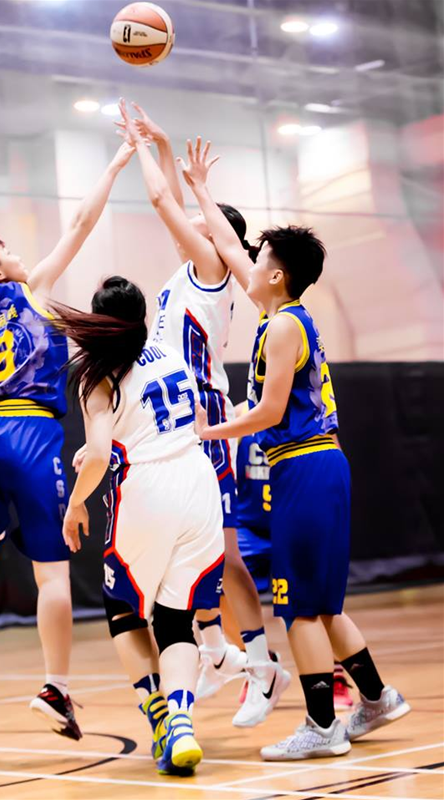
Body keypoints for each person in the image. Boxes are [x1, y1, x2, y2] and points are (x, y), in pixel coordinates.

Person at [183, 139, 410, 760]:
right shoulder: (280, 313)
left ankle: (321, 726)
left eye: (260, 260)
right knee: (325, 605)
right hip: (315, 467)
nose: (247, 262)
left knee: (300, 610)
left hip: (305, 467)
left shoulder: (283, 326)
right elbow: (231, 249)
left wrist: (209, 432)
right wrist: (200, 188)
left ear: (277, 276)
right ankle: (378, 698)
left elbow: (269, 412)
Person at [0, 141, 135, 741]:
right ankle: (56, 688)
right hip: (29, 431)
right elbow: (81, 223)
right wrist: (115, 162)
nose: (21, 255)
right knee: (51, 573)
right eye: (9, 252)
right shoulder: (32, 290)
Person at [117, 100, 290, 728]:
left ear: (216, 237)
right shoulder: (193, 269)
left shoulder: (213, 267)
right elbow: (171, 204)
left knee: (226, 551)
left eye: (201, 221)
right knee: (193, 548)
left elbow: (162, 201)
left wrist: (140, 145)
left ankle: (260, 662)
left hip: (205, 420)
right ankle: (217, 648)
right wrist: (163, 144)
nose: (187, 224)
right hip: (180, 421)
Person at [56, 276, 225, 776]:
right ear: (143, 316)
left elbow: (100, 454)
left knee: (122, 606)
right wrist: (109, 443)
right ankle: (182, 723)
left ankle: (156, 712)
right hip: (198, 480)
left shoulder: (98, 374)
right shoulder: (170, 353)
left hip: (149, 490)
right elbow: (179, 418)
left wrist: (76, 504)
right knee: (175, 619)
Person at [233, 405, 354, 711]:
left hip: (293, 516)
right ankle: (260, 660)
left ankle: (335, 673)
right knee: (218, 584)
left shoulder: (308, 416)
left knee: (312, 599)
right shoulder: (237, 417)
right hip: (251, 526)